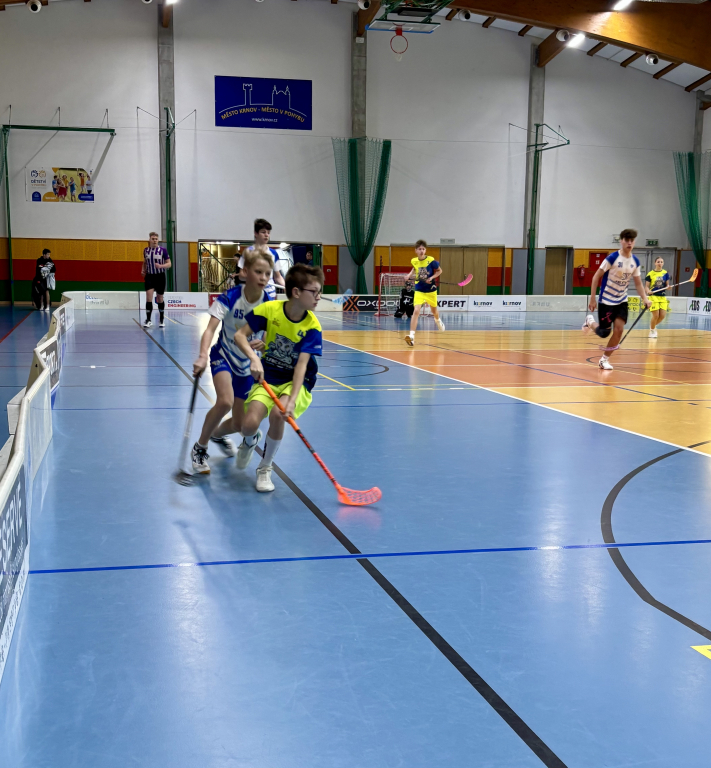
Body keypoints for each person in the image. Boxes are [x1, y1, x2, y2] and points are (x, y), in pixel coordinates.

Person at [234, 263, 324, 493]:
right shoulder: (270, 310)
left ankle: (265, 467)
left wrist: (292, 400)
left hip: (298, 382)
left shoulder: (312, 326)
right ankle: (249, 441)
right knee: (248, 425)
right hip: (269, 376)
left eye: (320, 292)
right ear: (296, 292)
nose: (319, 297)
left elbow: (301, 366)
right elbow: (240, 336)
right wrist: (254, 359)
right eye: (314, 292)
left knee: (278, 414)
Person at [190, 248, 273, 474]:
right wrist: (202, 355)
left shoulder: (268, 303)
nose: (263, 278)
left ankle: (216, 435)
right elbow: (210, 330)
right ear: (245, 272)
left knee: (239, 424)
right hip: (224, 355)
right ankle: (200, 447)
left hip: (248, 366)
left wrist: (264, 343)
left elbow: (270, 332)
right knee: (225, 401)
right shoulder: (230, 297)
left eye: (267, 274)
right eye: (258, 272)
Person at [582, 228, 651, 370]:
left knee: (619, 330)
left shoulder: (635, 261)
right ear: (621, 241)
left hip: (621, 300)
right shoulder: (612, 258)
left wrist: (645, 298)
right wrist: (592, 299)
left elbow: (638, 283)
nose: (629, 243)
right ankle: (589, 321)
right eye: (627, 240)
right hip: (606, 300)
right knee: (604, 333)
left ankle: (604, 360)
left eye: (632, 240)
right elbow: (596, 277)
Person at [405, 240, 445, 346]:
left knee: (434, 311)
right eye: (419, 249)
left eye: (423, 249)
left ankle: (437, 320)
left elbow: (439, 271)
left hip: (431, 290)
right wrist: (409, 275)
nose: (421, 251)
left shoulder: (431, 260)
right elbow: (414, 268)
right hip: (419, 289)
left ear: (425, 250)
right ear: (416, 250)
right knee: (416, 310)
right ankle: (411, 336)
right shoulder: (414, 260)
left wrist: (431, 278)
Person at [237, 219, 286, 299]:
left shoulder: (274, 253)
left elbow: (278, 277)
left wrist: (286, 286)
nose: (266, 235)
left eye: (268, 233)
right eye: (263, 232)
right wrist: (256, 277)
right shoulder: (247, 252)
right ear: (256, 233)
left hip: (270, 296)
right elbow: (241, 275)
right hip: (253, 295)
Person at [142, 231, 171, 328]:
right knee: (148, 297)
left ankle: (161, 319)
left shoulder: (163, 250)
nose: (154, 241)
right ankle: (148, 320)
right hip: (150, 276)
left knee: (160, 298)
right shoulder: (146, 250)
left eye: (156, 239)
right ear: (149, 240)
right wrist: (143, 270)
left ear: (158, 240)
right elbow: (145, 262)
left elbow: (169, 264)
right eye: (153, 239)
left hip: (160, 276)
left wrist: (161, 266)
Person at [645, 256, 670, 339]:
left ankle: (652, 327)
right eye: (658, 262)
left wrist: (668, 287)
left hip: (662, 297)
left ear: (663, 263)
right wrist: (648, 291)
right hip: (653, 296)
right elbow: (646, 287)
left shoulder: (665, 273)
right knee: (656, 316)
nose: (660, 263)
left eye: (661, 262)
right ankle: (652, 331)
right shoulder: (650, 274)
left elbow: (667, 285)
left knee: (662, 316)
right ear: (655, 263)